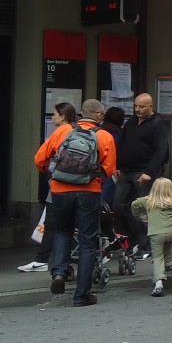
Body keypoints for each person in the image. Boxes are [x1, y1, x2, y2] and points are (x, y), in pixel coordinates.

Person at [34, 98, 116, 306]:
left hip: (60, 191)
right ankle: (81, 296)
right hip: (89, 192)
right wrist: (90, 178)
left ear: (81, 113)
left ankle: (59, 273)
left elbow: (39, 159)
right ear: (99, 115)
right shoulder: (105, 136)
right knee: (88, 242)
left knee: (62, 231)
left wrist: (56, 175)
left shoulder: (63, 132)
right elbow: (108, 169)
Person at [17, 101, 77, 273]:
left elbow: (40, 158)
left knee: (51, 222)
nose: (52, 117)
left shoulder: (60, 132)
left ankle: (42, 260)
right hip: (81, 184)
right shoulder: (79, 130)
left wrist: (46, 171)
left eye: (55, 114)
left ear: (63, 116)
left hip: (59, 182)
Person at [113, 93, 169, 259]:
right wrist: (117, 166)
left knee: (140, 209)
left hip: (144, 172)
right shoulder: (130, 123)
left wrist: (149, 172)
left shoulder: (157, 124)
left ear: (150, 107)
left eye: (142, 107)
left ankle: (147, 245)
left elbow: (160, 151)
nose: (138, 109)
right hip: (126, 171)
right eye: (136, 106)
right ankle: (132, 240)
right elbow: (123, 145)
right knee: (118, 206)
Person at [131, 177, 172, 297]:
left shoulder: (147, 201)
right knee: (168, 243)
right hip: (171, 231)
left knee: (158, 257)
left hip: (156, 233)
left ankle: (159, 284)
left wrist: (142, 216)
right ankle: (169, 262)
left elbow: (134, 205)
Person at [97, 106, 125, 209]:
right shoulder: (120, 134)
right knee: (107, 205)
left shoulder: (98, 131)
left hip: (96, 171)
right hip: (112, 173)